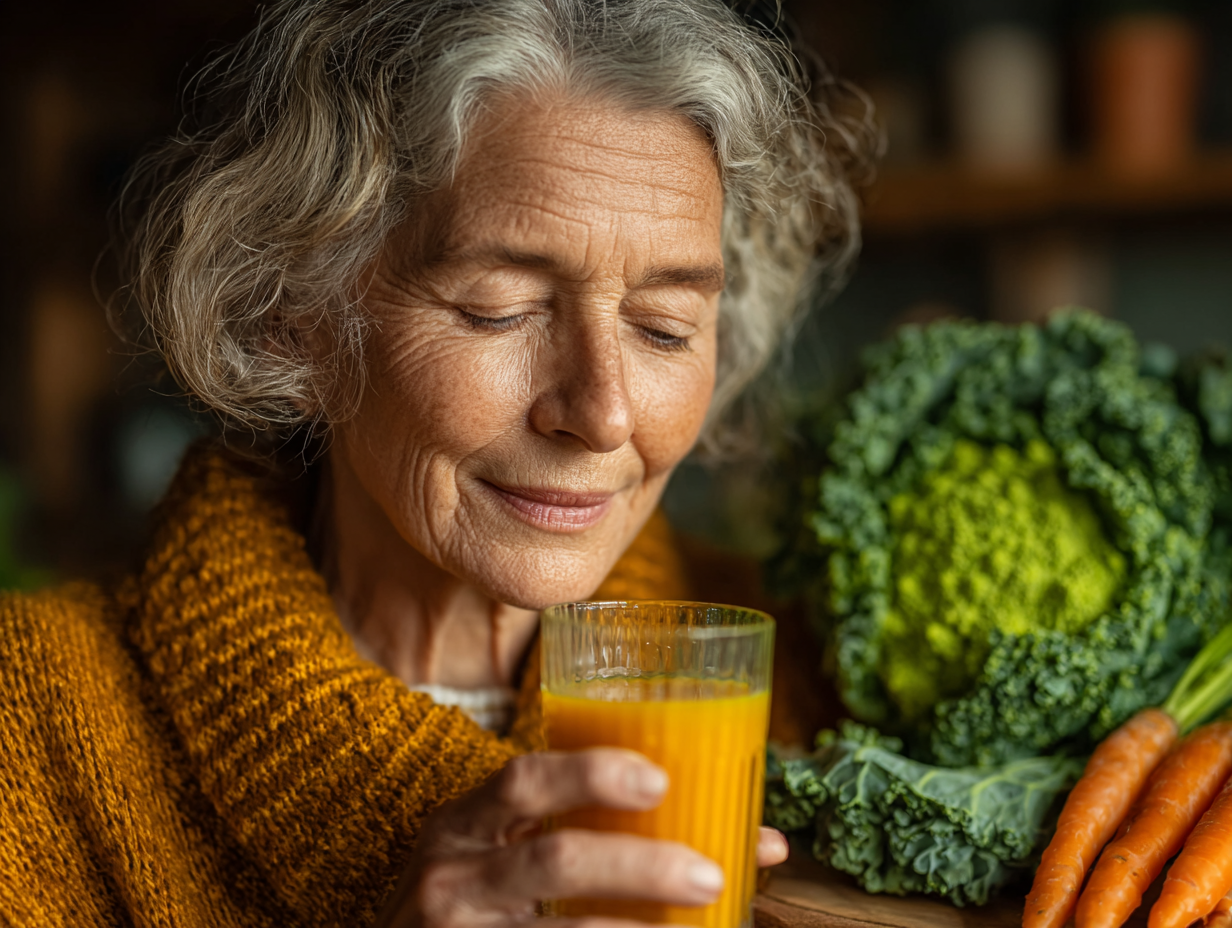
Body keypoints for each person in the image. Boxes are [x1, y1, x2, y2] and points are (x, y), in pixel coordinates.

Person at [0, 1, 873, 925]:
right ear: (295, 315)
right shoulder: (35, 723)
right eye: (499, 309)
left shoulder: (816, 683)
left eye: (665, 328)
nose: (603, 412)